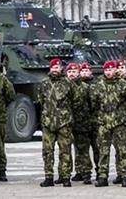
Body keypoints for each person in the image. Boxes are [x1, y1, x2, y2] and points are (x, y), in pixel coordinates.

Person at [90, 60, 126, 187]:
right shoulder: (98, 85)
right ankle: (103, 177)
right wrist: (100, 117)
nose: (109, 72)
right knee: (103, 151)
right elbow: (94, 103)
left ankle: (125, 175)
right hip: (103, 122)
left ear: (116, 70)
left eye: (111, 69)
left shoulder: (124, 85)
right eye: (106, 70)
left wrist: (124, 115)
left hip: (119, 122)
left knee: (123, 150)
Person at [38, 58, 74, 188]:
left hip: (64, 122)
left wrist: (66, 115)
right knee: (47, 151)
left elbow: (74, 100)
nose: (55, 69)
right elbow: (41, 100)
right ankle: (49, 177)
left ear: (61, 69)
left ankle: (65, 177)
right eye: (53, 67)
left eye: (57, 67)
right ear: (50, 69)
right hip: (48, 122)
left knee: (65, 150)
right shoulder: (44, 83)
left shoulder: (68, 83)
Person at [68, 63, 93, 185]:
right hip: (67, 123)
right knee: (75, 148)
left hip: (83, 122)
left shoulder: (85, 87)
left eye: (74, 72)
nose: (72, 74)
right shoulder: (64, 86)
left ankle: (86, 173)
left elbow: (92, 104)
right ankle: (78, 171)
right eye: (70, 72)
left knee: (83, 149)